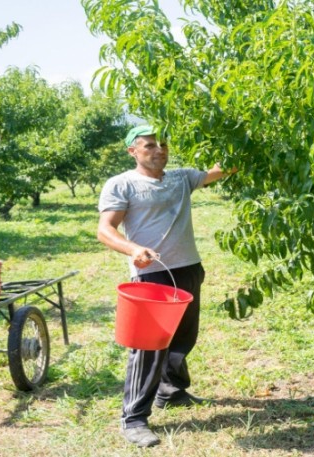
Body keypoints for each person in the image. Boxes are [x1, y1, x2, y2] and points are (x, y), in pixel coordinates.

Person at [97, 125, 232, 447]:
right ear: (133, 151)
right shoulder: (122, 184)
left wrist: (237, 137)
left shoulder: (182, 177)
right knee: (149, 349)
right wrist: (133, 249)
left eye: (163, 144)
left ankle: (171, 392)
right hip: (151, 276)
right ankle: (134, 419)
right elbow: (105, 229)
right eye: (149, 146)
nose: (159, 150)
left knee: (184, 337)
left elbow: (222, 169)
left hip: (187, 268)